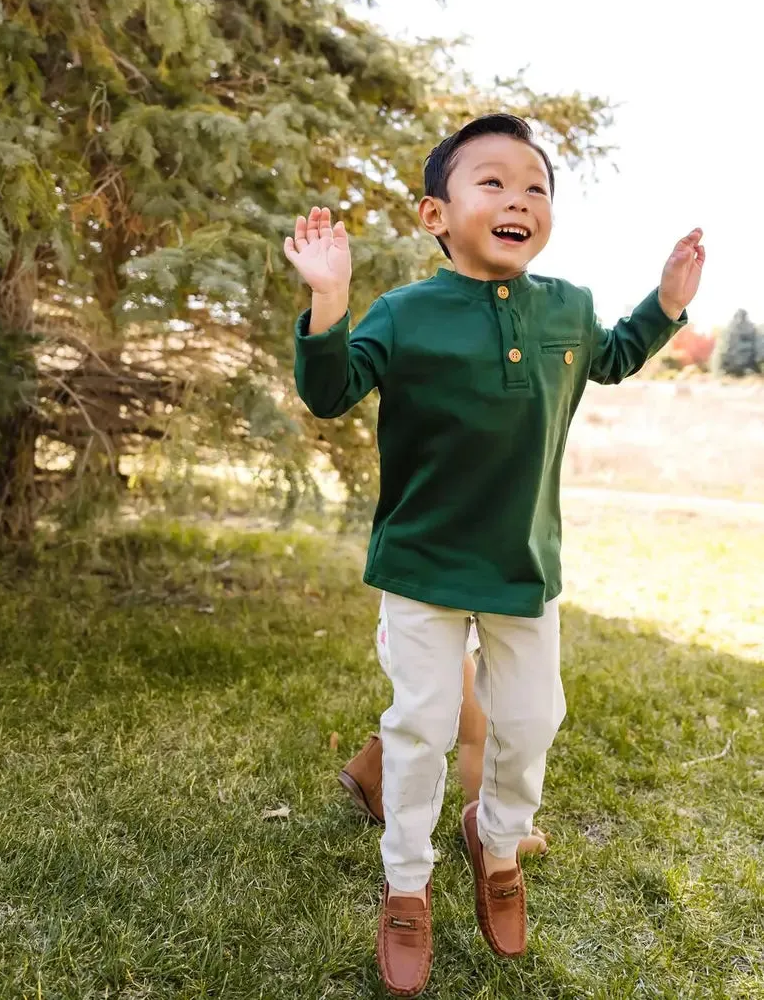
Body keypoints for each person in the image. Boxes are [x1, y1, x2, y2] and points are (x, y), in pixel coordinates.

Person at [285, 114, 704, 997]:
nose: (519, 198)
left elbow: (617, 357)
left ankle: (497, 840)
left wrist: (667, 300)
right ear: (438, 215)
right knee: (422, 728)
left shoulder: (568, 309)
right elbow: (329, 392)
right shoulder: (406, 314)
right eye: (493, 183)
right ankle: (406, 883)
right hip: (422, 568)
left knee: (533, 719)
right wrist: (329, 299)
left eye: (536, 186)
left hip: (524, 569)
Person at [339, 597, 550, 855]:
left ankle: (371, 772)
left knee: (423, 717)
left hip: (409, 622)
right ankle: (486, 825)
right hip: (436, 625)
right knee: (474, 731)